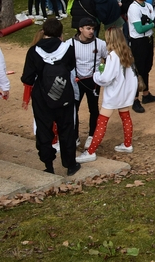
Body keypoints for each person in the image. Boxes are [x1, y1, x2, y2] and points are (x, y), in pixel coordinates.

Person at [20, 19, 81, 175]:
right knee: (67, 129)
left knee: (44, 130)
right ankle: (70, 165)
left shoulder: (34, 51)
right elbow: (72, 67)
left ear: (44, 31)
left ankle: (48, 164)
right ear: (60, 32)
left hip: (42, 98)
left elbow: (27, 78)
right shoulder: (67, 48)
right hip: (64, 95)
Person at [76, 27, 138, 163]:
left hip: (114, 94)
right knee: (126, 117)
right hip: (125, 92)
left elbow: (106, 78)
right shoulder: (127, 52)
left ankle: (91, 151)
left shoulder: (112, 56)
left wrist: (97, 75)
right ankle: (127, 144)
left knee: (102, 121)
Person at [71, 18, 108, 150]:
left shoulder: (100, 44)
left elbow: (108, 57)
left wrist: (103, 72)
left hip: (93, 81)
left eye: (93, 29)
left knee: (93, 108)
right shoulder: (70, 44)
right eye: (88, 28)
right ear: (80, 29)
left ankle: (92, 135)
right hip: (76, 81)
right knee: (73, 109)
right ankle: (74, 136)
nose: (91, 31)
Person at [127, 0, 155, 113]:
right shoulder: (133, 8)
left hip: (148, 39)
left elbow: (154, 23)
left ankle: (146, 94)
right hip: (138, 41)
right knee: (138, 70)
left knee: (147, 67)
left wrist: (151, 24)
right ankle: (135, 99)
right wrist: (151, 24)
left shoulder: (148, 6)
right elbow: (139, 29)